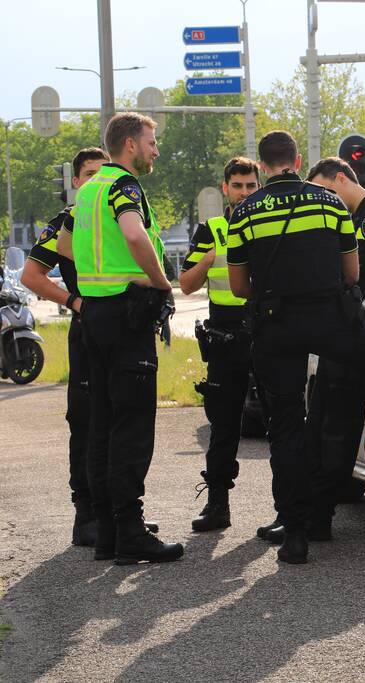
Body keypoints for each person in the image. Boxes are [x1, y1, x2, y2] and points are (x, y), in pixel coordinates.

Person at [227, 131, 365, 564]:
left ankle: (294, 534)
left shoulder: (244, 211)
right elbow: (352, 274)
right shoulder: (330, 204)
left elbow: (238, 287)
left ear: (262, 165)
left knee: (286, 428)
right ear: (296, 161)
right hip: (331, 321)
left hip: (276, 327)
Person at [63, 112, 183, 565]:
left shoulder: (89, 189)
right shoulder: (122, 186)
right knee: (132, 427)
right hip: (126, 316)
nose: (156, 150)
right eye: (151, 142)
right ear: (130, 144)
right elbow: (134, 234)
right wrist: (162, 282)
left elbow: (67, 248)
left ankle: (109, 533)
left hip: (94, 316)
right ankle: (131, 533)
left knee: (103, 426)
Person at [20, 147, 108, 546]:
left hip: (123, 333)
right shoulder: (65, 222)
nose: (96, 181)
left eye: (103, 174)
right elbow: (31, 276)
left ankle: (120, 510)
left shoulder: (124, 218)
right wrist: (75, 302)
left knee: (121, 421)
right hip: (87, 331)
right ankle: (86, 515)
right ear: (75, 182)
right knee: (85, 421)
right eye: (89, 174)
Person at [178, 157, 260, 532]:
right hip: (226, 340)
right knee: (224, 426)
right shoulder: (210, 230)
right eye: (237, 186)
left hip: (264, 333)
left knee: (281, 425)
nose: (244, 192)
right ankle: (217, 505)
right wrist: (209, 258)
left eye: (250, 186)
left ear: (259, 187)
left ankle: (288, 512)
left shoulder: (268, 223)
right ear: (225, 188)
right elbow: (186, 284)